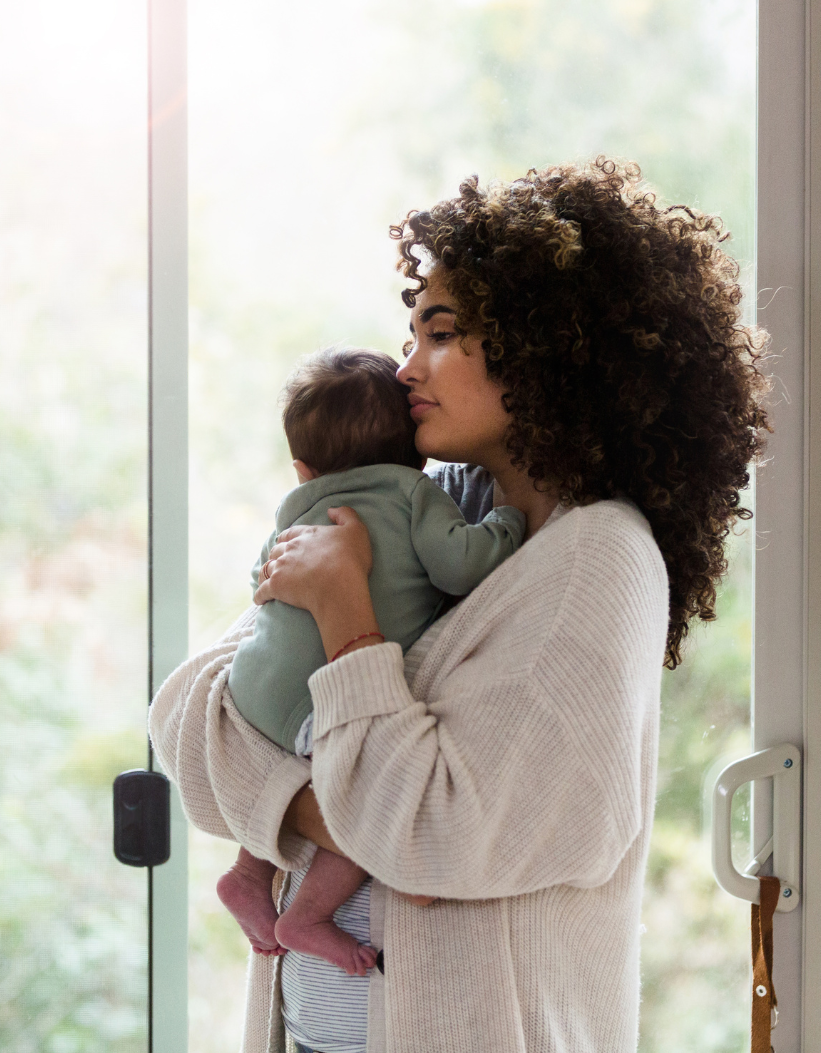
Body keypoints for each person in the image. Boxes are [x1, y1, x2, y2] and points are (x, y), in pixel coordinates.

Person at [149, 157, 770, 1053]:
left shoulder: (598, 563)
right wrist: (337, 814)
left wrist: (347, 620)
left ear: (551, 344)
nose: (407, 368)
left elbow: (437, 838)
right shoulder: (432, 501)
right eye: (412, 335)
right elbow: (189, 714)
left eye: (439, 333)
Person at [216, 347, 525, 977]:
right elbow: (459, 565)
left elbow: (262, 580)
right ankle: (308, 914)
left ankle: (249, 872)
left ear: (303, 469)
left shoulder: (295, 506)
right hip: (321, 697)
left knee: (288, 765)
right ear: (417, 452)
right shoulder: (414, 492)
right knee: (358, 792)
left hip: (252, 685)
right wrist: (507, 524)